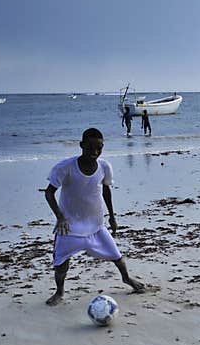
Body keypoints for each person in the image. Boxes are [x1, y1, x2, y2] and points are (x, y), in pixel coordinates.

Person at [42, 128, 145, 306]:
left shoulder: (104, 167)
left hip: (96, 225)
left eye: (99, 148)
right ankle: (59, 292)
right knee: (61, 264)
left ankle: (127, 279)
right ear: (81, 145)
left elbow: (106, 190)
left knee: (117, 256)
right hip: (69, 226)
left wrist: (112, 217)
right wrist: (60, 217)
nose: (95, 152)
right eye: (90, 148)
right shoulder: (65, 167)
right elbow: (49, 193)